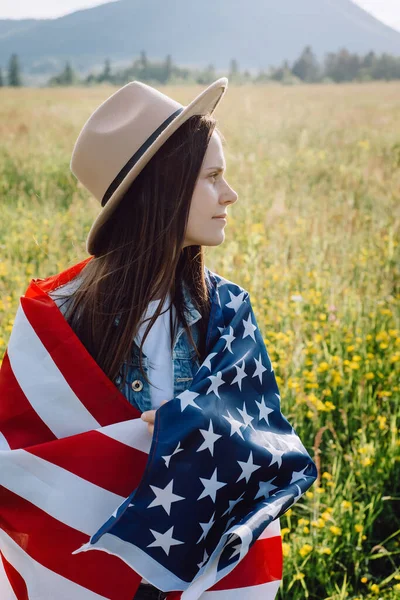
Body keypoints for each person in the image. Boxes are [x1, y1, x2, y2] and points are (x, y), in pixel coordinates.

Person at [48, 77, 237, 600]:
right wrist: (120, 445)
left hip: (193, 564)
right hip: (95, 568)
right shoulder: (58, 316)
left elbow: (262, 436)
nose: (231, 194)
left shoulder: (224, 310)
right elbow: (25, 456)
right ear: (164, 188)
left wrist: (193, 423)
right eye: (213, 177)